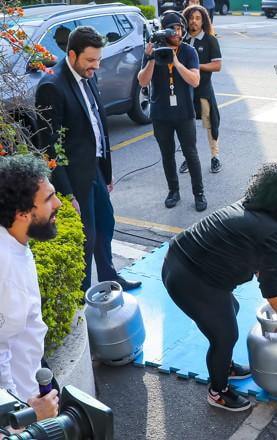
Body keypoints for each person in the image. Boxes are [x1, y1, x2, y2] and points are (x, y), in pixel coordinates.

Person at [161, 162, 277, 411]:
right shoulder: (273, 233)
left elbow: (252, 257)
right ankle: (218, 392)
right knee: (225, 336)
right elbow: (271, 288)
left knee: (231, 307)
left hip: (175, 260)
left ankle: (226, 366)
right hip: (190, 279)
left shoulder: (250, 205)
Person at [35, 26, 141, 292]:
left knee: (106, 223)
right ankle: (81, 295)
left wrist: (106, 171)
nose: (96, 66)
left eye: (98, 59)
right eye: (90, 60)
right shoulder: (51, 86)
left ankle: (109, 277)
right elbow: (49, 145)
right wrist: (66, 192)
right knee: (87, 236)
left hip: (94, 168)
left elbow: (98, 126)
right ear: (72, 55)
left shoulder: (88, 74)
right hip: (73, 178)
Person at [0, 155, 61, 422]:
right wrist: (24, 413)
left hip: (34, 380)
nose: (58, 204)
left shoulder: (14, 240)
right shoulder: (6, 269)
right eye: (49, 199)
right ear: (22, 214)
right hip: (22, 407)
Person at [138, 11, 208, 212]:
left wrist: (175, 62)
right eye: (172, 29)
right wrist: (151, 58)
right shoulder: (154, 50)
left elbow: (195, 81)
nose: (176, 32)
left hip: (184, 112)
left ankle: (199, 193)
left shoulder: (188, 52)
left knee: (191, 154)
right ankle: (173, 191)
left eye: (179, 28)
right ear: (163, 31)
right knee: (167, 155)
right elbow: (142, 81)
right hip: (161, 114)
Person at [179, 4, 223, 175]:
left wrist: (196, 67)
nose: (194, 22)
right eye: (191, 18)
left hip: (203, 89)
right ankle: (189, 158)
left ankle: (215, 157)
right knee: (186, 125)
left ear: (203, 21)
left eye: (198, 18)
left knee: (210, 123)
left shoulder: (210, 40)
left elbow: (217, 65)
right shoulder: (181, 40)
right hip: (185, 91)